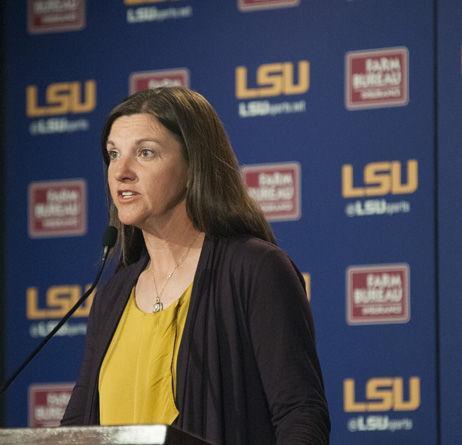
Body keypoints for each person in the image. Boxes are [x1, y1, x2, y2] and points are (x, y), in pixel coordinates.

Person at [61, 87, 330, 445]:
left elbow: (300, 414)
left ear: (193, 166)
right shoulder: (113, 295)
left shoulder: (255, 270)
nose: (121, 172)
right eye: (113, 154)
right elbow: (78, 426)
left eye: (145, 153)